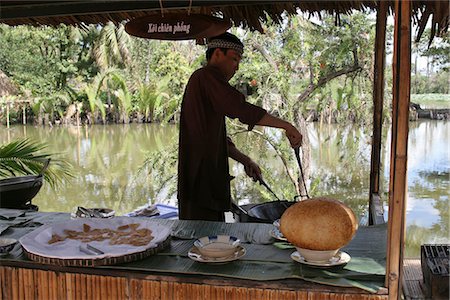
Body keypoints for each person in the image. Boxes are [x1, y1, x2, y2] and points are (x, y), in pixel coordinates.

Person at [177, 32, 302, 221]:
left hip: (208, 186)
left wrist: (246, 160)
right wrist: (287, 126)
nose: (237, 67)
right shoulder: (205, 76)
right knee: (202, 243)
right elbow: (240, 108)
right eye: (234, 59)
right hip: (200, 184)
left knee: (211, 242)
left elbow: (216, 141)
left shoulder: (206, 85)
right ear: (217, 53)